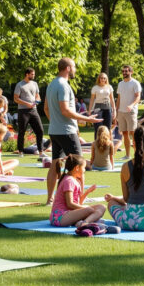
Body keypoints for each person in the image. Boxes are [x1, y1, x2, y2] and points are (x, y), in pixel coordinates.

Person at [44, 58, 100, 202]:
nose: (75, 69)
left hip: (55, 131)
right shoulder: (63, 86)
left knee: (55, 164)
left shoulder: (51, 84)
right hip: (66, 131)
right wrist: (87, 120)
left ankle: (50, 198)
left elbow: (46, 108)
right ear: (68, 68)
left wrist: (56, 122)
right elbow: (65, 110)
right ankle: (79, 198)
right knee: (80, 165)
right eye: (74, 67)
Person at [49, 155, 105, 227]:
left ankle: (84, 222)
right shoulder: (69, 181)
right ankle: (87, 221)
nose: (84, 170)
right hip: (59, 217)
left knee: (102, 207)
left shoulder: (75, 180)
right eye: (84, 168)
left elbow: (79, 203)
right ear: (77, 168)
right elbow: (70, 204)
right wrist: (86, 208)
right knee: (89, 210)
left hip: (70, 213)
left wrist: (87, 192)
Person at [13, 68, 46, 162]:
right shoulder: (19, 85)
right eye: (32, 74)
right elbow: (16, 98)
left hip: (33, 110)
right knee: (22, 131)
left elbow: (37, 95)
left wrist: (37, 101)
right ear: (27, 74)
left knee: (40, 130)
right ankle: (20, 151)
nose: (33, 76)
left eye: (34, 74)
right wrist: (26, 104)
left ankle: (40, 151)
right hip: (23, 111)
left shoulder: (35, 84)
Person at [115, 65, 142, 160]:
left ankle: (137, 155)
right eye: (123, 71)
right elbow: (119, 98)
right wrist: (116, 110)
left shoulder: (135, 83)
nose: (124, 73)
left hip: (131, 112)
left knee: (133, 133)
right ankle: (127, 155)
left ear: (131, 72)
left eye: (126, 71)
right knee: (125, 134)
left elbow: (138, 97)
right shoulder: (120, 84)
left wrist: (132, 105)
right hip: (121, 112)